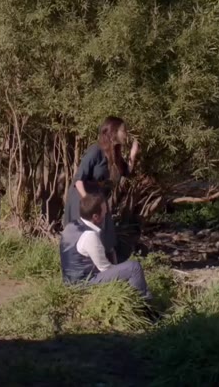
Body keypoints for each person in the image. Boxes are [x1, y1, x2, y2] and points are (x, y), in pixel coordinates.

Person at [63, 116, 139, 262]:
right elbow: (79, 179)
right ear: (113, 132)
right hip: (83, 196)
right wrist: (87, 201)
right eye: (123, 131)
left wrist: (133, 154)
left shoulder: (114, 153)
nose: (126, 134)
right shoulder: (95, 151)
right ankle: (80, 266)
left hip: (97, 196)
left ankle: (105, 267)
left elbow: (126, 171)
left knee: (105, 233)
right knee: (84, 233)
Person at [59, 192, 151, 299]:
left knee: (123, 266)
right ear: (95, 217)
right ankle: (144, 303)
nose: (106, 214)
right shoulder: (89, 236)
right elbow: (105, 268)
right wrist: (122, 271)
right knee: (134, 268)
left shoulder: (70, 226)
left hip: (70, 281)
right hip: (84, 284)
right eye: (104, 212)